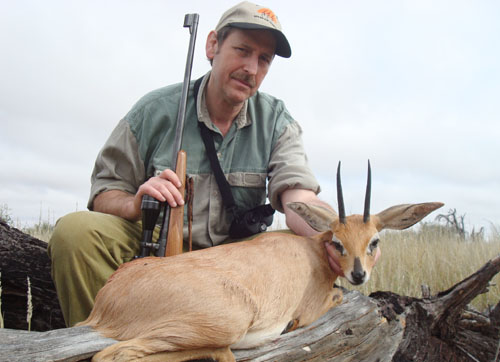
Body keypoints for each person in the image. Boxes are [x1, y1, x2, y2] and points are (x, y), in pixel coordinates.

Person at [48, 1, 338, 327]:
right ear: (212, 45)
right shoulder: (154, 111)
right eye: (242, 50)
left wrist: (341, 235)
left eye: (264, 60)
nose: (252, 69)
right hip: (157, 254)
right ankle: (97, 343)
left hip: (235, 264)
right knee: (75, 233)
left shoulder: (276, 120)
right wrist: (134, 202)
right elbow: (104, 190)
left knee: (296, 248)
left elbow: (299, 198)